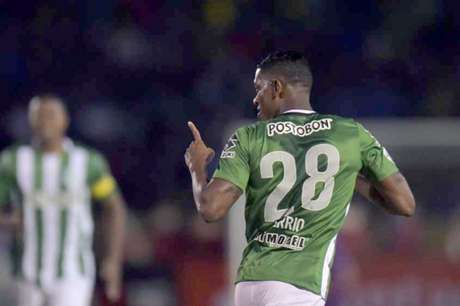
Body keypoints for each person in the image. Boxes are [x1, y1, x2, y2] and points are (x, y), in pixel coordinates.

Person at [184, 51, 415, 306]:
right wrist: (349, 173)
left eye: (258, 89)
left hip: (249, 286)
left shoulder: (248, 137)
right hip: (298, 288)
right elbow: (405, 204)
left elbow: (210, 208)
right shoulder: (350, 134)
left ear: (277, 87)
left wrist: (197, 168)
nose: (255, 98)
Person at [0, 94, 126, 306]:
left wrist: (112, 260)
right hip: (24, 273)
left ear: (65, 120)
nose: (45, 121)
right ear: (30, 120)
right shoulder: (12, 162)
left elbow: (113, 207)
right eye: (39, 115)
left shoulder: (87, 163)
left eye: (51, 115)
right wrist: (7, 221)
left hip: (72, 272)